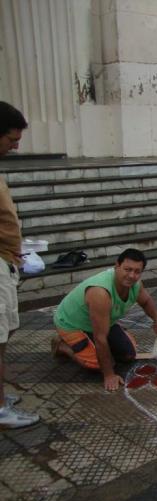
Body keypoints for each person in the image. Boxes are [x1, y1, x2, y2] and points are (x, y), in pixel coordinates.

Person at [52, 249, 157, 391]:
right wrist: (109, 374)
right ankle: (62, 346)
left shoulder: (136, 284)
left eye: (137, 271)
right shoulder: (100, 292)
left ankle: (96, 341)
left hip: (101, 321)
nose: (132, 275)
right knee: (97, 365)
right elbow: (100, 338)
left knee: (128, 355)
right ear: (116, 266)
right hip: (72, 324)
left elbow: (146, 301)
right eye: (127, 269)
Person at [0, 101, 40, 428]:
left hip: (7, 261)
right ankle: (0, 408)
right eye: (11, 139)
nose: (15, 146)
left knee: (6, 331)